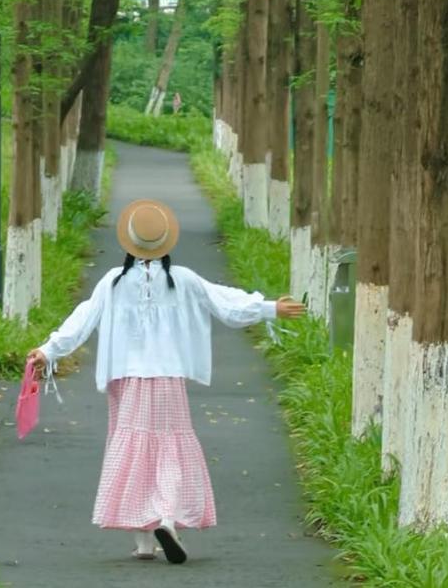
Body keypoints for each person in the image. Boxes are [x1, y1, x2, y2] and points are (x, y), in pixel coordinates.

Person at [27, 196, 305, 565]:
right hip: (166, 377)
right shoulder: (183, 280)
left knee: (132, 449)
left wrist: (48, 349)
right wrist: (270, 307)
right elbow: (225, 302)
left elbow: (83, 319)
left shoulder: (113, 281)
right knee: (168, 447)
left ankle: (144, 542)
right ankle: (168, 519)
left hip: (124, 378)